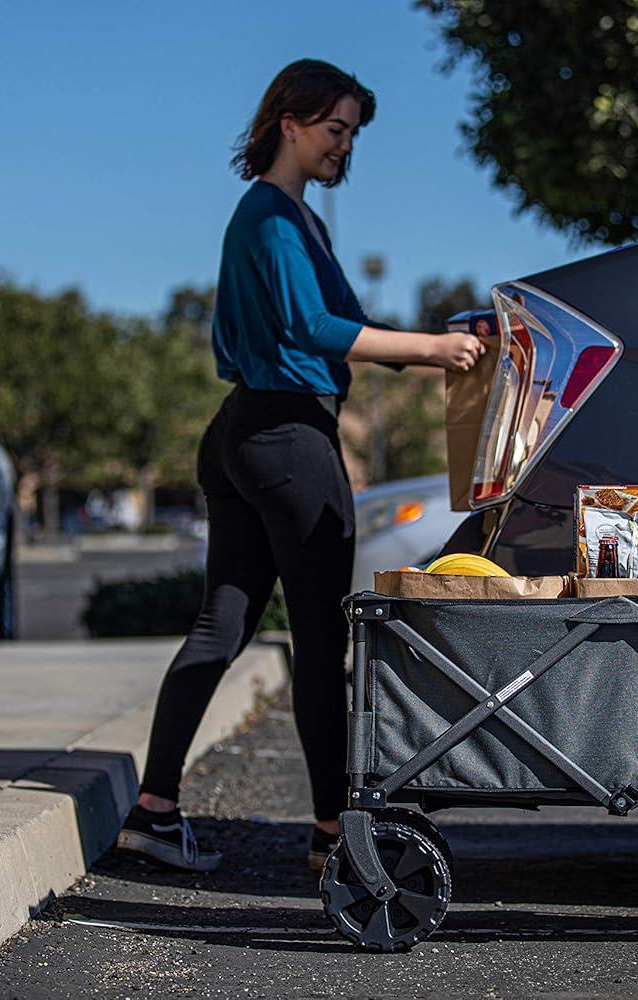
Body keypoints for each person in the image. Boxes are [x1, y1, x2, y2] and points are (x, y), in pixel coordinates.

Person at [115, 58, 485, 872]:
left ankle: (154, 811)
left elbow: (349, 323)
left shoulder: (294, 222)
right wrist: (433, 349)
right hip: (286, 437)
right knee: (322, 642)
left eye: (351, 135)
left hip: (244, 430)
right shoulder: (274, 220)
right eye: (333, 129)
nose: (343, 147)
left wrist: (441, 340)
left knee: (224, 622)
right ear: (289, 121)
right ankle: (332, 839)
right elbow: (316, 327)